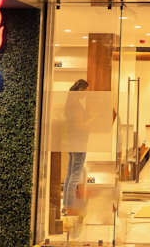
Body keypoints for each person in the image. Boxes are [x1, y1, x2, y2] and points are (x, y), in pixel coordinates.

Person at [63, 78, 89, 215]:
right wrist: (93, 120)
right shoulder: (76, 105)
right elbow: (80, 126)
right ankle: (70, 207)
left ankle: (66, 206)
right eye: (86, 91)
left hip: (71, 141)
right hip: (79, 141)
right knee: (75, 176)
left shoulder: (70, 103)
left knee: (70, 174)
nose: (86, 94)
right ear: (80, 90)